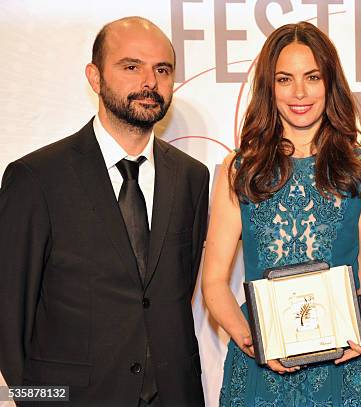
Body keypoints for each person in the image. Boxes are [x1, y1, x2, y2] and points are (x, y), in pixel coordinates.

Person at [0, 17, 209, 406]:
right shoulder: (36, 178)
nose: (149, 81)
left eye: (162, 70)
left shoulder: (192, 177)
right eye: (131, 67)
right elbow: (8, 320)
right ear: (94, 77)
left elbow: (175, 294)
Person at [202, 21, 361, 406]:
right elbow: (213, 283)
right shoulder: (240, 170)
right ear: (268, 87)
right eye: (284, 79)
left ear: (330, 83)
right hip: (262, 365)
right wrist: (252, 340)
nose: (300, 92)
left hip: (349, 362)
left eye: (312, 77)